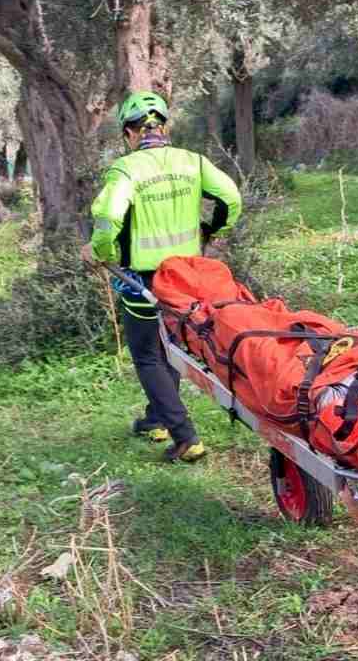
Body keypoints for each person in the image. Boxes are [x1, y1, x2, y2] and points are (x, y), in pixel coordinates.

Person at [81, 91, 243, 463]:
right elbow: (231, 197)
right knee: (167, 345)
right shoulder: (193, 162)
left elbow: (107, 219)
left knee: (148, 355)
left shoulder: (126, 170)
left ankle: (186, 438)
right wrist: (214, 230)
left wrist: (101, 253)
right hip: (187, 276)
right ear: (164, 127)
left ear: (128, 133)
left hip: (143, 278)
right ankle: (157, 419)